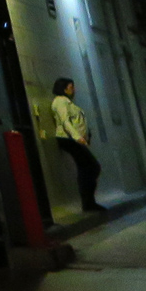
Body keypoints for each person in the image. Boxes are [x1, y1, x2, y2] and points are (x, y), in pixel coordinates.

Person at [51, 78, 105, 213]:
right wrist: (77, 137)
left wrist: (86, 136)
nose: (73, 89)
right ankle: (88, 203)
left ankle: (89, 203)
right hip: (68, 139)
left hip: (73, 139)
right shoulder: (60, 101)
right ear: (63, 88)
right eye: (71, 87)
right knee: (92, 167)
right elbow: (65, 122)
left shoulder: (68, 102)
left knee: (87, 168)